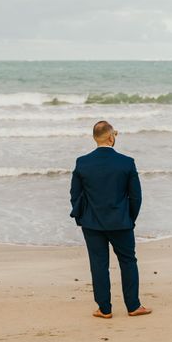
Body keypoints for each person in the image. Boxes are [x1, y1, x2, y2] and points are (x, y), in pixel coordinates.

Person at [70, 120, 151, 319]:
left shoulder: (82, 162)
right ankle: (133, 306)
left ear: (95, 138)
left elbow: (75, 195)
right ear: (111, 137)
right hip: (121, 222)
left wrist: (81, 217)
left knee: (98, 264)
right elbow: (136, 196)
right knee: (128, 261)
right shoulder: (126, 162)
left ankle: (104, 309)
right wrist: (130, 218)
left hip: (92, 222)